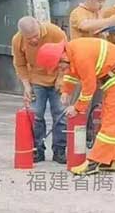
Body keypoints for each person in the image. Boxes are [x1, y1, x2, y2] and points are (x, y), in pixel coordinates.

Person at [36, 38, 115, 175]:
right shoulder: (72, 52)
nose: (61, 71)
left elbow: (89, 87)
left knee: (111, 123)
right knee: (109, 120)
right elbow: (72, 73)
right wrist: (66, 91)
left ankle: (94, 163)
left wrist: (77, 108)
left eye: (60, 67)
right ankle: (110, 160)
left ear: (62, 57)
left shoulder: (81, 56)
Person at [11, 16, 68, 164]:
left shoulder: (55, 32)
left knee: (60, 114)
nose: (34, 40)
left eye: (35, 36)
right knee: (36, 116)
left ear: (38, 26)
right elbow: (20, 64)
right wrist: (26, 85)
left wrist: (61, 78)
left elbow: (66, 57)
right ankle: (37, 150)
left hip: (56, 77)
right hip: (35, 79)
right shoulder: (17, 40)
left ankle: (60, 150)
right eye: (29, 38)